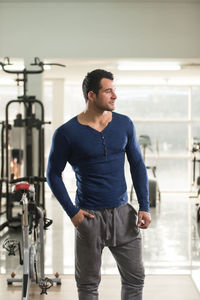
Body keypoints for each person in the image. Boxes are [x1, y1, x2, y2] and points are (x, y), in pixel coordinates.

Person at [46, 69, 151, 300]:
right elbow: (52, 174)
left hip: (123, 214)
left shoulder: (124, 124)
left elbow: (137, 165)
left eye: (114, 90)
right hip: (89, 218)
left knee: (135, 279)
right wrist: (73, 213)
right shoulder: (67, 133)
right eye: (108, 90)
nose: (114, 95)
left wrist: (144, 205)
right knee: (87, 285)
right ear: (92, 95)